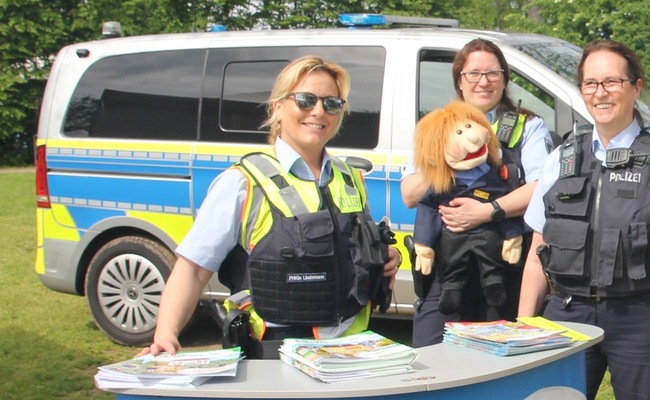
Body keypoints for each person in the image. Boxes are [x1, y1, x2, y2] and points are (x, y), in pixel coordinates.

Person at [139, 55, 401, 359]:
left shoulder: (351, 178)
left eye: (332, 103)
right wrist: (166, 334)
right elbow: (194, 269)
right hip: (277, 355)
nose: (319, 111)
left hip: (351, 352)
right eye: (305, 100)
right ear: (277, 106)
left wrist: (381, 257)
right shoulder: (242, 183)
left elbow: (349, 249)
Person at [518, 39, 650, 400]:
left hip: (642, 318)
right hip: (567, 315)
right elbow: (537, 251)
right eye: (591, 84)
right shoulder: (561, 159)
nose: (601, 93)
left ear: (636, 87)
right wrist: (523, 327)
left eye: (612, 82)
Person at [401, 38, 553, 348]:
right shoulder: (438, 127)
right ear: (460, 80)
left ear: (504, 78)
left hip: (502, 269)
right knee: (431, 356)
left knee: (497, 363)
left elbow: (540, 189)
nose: (483, 82)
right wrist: (447, 158)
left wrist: (486, 211)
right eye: (473, 73)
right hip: (447, 269)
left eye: (493, 73)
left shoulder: (528, 126)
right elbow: (409, 194)